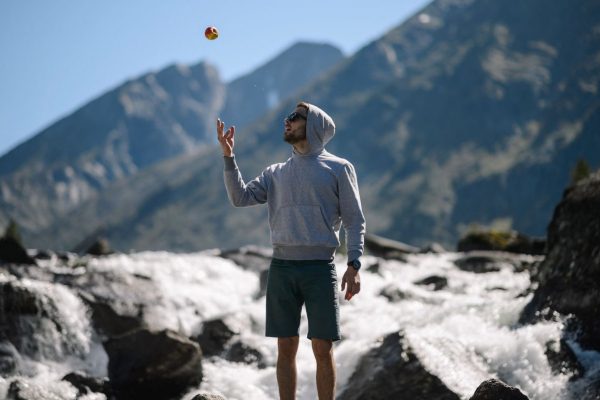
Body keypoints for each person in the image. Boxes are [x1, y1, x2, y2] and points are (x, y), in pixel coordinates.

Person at [217, 101, 366, 400]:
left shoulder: (339, 168)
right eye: (288, 116)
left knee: (322, 347)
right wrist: (229, 157)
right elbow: (241, 198)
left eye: (295, 117)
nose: (287, 121)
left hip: (320, 269)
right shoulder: (275, 172)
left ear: (314, 126)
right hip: (282, 268)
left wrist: (354, 264)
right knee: (285, 346)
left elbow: (354, 220)